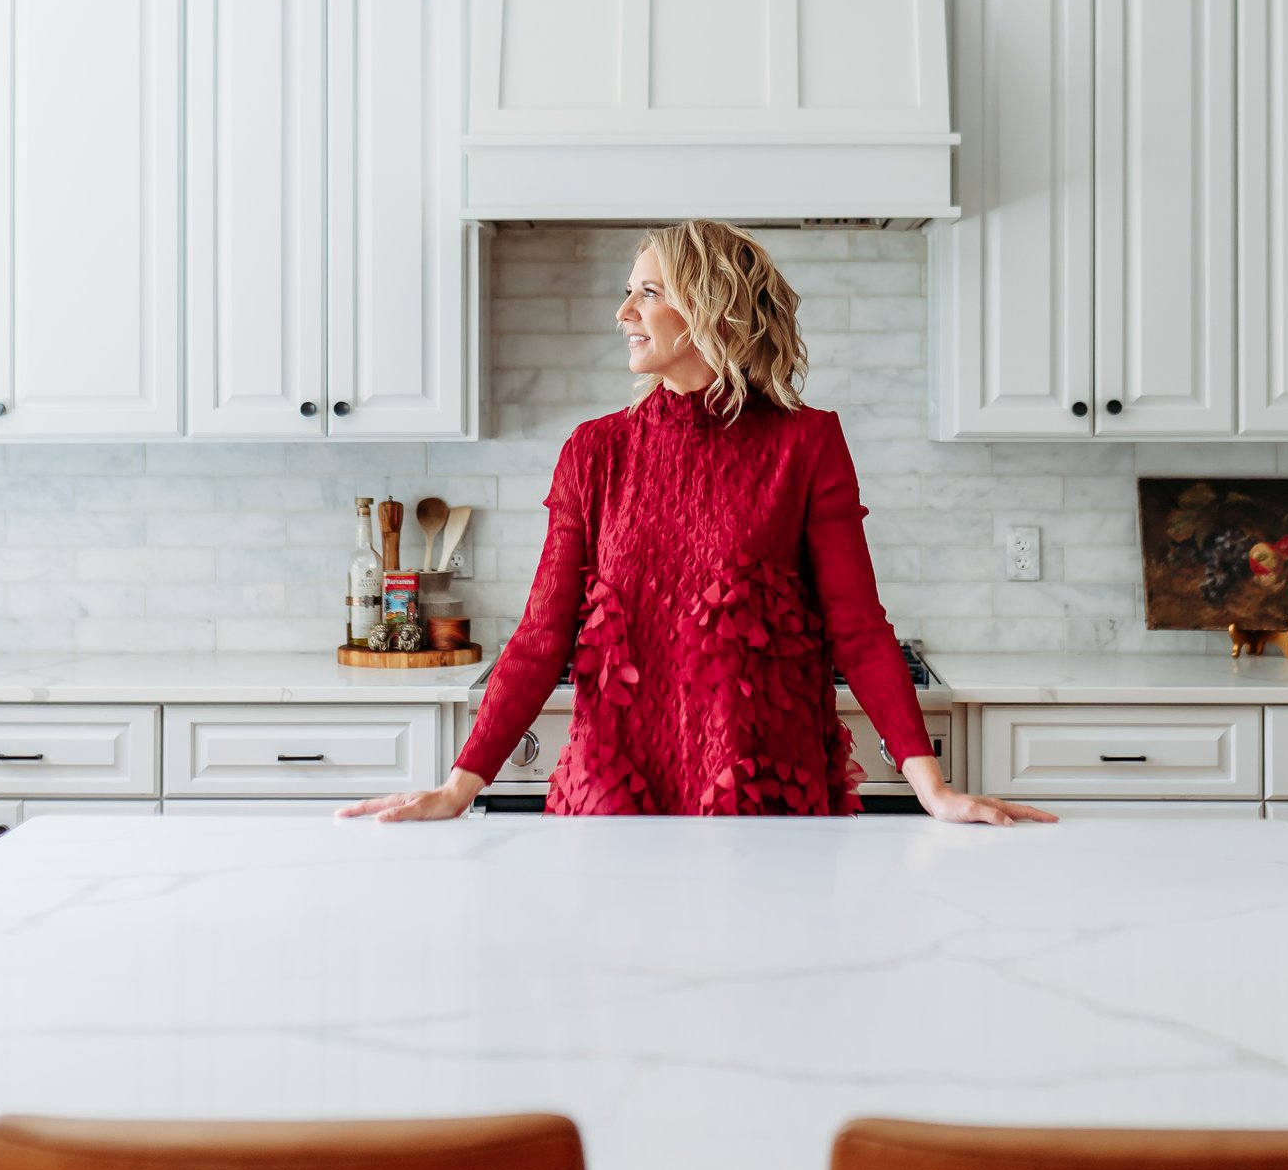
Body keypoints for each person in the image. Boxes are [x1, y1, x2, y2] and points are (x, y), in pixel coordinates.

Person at [338, 220, 1054, 825]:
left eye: (648, 292)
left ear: (715, 308)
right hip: (613, 803)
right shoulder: (594, 452)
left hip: (765, 802)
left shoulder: (806, 445)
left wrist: (933, 789)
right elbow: (540, 637)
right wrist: (458, 787)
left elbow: (860, 630)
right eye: (630, 291)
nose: (623, 312)